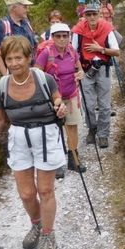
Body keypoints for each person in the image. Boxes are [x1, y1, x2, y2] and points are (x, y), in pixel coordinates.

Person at [0, 36, 67, 249]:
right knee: (26, 194)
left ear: (28, 57)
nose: (13, 63)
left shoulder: (44, 79)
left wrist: (60, 107)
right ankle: (36, 223)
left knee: (45, 190)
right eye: (9, 59)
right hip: (19, 137)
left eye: (18, 58)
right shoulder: (0, 87)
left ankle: (48, 234)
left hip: (46, 135)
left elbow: (58, 100)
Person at [36, 22, 86, 177]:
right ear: (52, 37)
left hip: (71, 95)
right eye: (58, 36)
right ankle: (57, 163)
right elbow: (36, 73)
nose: (62, 39)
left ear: (69, 37)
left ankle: (73, 159)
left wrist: (80, 74)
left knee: (72, 126)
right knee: (54, 130)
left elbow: (80, 68)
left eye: (65, 36)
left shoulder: (72, 51)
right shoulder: (46, 53)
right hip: (53, 99)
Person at [71, 3, 120, 148]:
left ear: (99, 14)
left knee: (105, 106)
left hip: (103, 69)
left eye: (94, 14)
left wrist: (100, 49)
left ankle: (103, 134)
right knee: (88, 105)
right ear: (84, 16)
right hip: (85, 70)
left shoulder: (107, 29)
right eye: (88, 14)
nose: (91, 17)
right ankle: (92, 129)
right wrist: (76, 70)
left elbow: (117, 52)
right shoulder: (78, 31)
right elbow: (73, 53)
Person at [0, 0, 37, 76]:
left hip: (30, 72)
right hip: (13, 73)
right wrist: (6, 76)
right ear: (14, 7)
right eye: (25, 7)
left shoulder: (27, 23)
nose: (27, 9)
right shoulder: (0, 25)